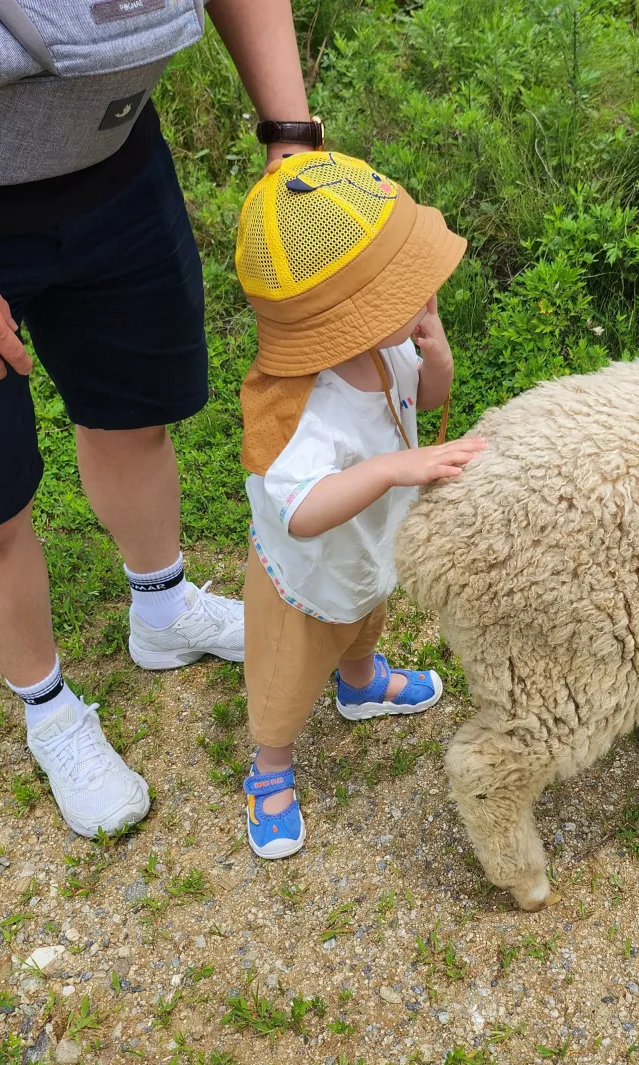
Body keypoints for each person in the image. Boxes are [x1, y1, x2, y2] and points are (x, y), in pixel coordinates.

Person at [0, 1, 317, 838]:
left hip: (117, 170)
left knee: (134, 418)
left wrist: (291, 132)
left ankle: (163, 609)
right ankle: (48, 709)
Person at [233, 150, 485, 858]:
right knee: (286, 677)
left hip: (368, 551)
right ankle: (271, 765)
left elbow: (424, 401)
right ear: (343, 319)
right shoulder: (303, 409)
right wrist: (392, 468)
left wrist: (436, 359)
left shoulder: (385, 348)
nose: (426, 295)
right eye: (406, 290)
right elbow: (301, 512)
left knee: (367, 618)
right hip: (308, 579)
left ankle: (361, 683)